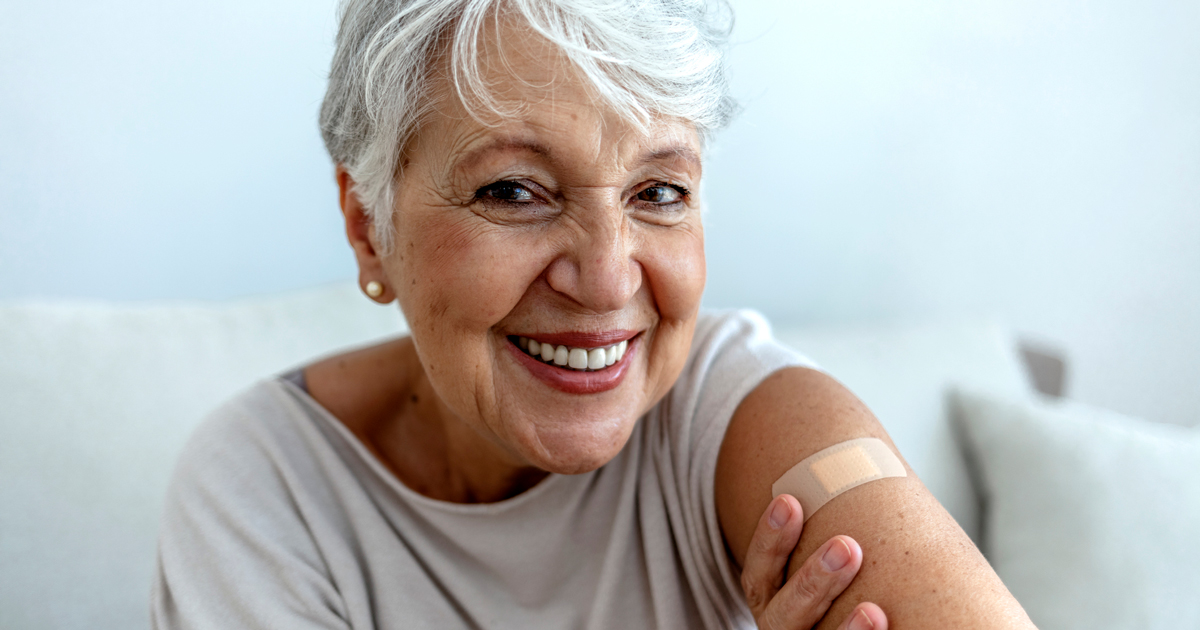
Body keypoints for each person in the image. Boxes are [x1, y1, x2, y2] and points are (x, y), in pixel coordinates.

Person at [151, 0, 1036, 628]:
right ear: (368, 228)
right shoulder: (264, 487)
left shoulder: (746, 418)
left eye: (658, 190)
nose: (610, 279)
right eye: (513, 190)